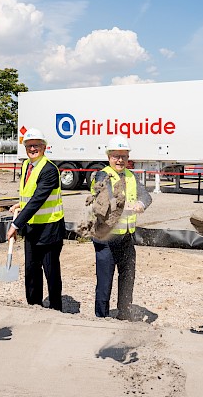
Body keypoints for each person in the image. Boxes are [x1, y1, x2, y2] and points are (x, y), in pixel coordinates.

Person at [90, 136, 152, 320]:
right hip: (106, 238)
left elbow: (146, 196)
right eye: (116, 156)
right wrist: (123, 206)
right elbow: (106, 198)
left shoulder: (132, 177)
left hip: (125, 237)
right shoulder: (102, 175)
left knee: (127, 277)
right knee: (105, 280)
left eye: (124, 156)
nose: (120, 160)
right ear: (109, 156)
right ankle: (101, 317)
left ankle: (124, 313)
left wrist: (141, 203)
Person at [8, 128, 65, 311]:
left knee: (51, 271)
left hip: (49, 229)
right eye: (29, 145)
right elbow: (30, 196)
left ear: (44, 147)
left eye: (36, 145)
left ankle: (56, 309)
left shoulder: (49, 170)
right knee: (31, 270)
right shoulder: (26, 166)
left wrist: (15, 225)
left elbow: (38, 199)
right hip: (32, 228)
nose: (32, 148)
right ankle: (34, 308)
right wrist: (20, 204)